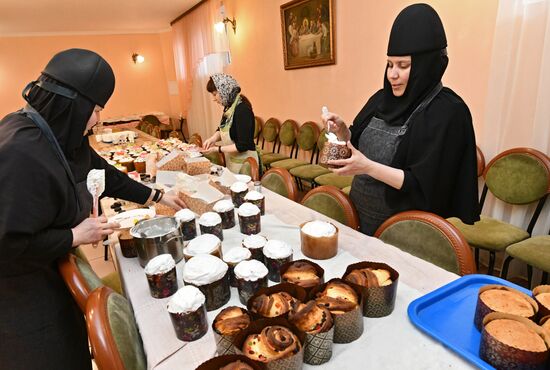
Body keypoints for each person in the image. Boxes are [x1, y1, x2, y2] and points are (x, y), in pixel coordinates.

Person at [0, 48, 185, 369]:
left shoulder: (59, 130)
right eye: (96, 109)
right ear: (74, 104)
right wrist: (74, 235)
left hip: (53, 271)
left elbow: (101, 172)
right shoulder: (20, 151)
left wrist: (156, 196)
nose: (98, 119)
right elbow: (7, 245)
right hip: (22, 296)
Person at [322, 4, 480, 236]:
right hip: (358, 215)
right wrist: (343, 131)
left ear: (426, 66)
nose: (392, 74)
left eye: (403, 66)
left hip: (405, 231)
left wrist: (367, 167)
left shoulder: (448, 112)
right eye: (390, 64)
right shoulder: (381, 99)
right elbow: (354, 143)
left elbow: (424, 186)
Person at [202, 73, 259, 174]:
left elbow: (242, 145)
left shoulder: (242, 110)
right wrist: (212, 139)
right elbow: (223, 128)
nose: (214, 99)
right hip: (232, 161)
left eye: (215, 94)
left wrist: (217, 149)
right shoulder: (229, 107)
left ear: (224, 91)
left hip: (245, 164)